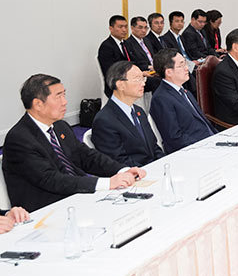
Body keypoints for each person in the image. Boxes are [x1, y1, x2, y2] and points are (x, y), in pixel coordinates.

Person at [2, 74, 145, 211]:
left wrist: (122, 170)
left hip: (76, 198)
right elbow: (51, 180)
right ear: (38, 104)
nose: (65, 102)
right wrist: (107, 183)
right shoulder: (19, 139)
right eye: (58, 96)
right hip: (47, 209)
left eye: (64, 95)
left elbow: (86, 156)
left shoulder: (60, 126)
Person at [91, 61, 165, 167]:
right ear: (120, 85)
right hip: (135, 173)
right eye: (137, 79)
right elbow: (117, 161)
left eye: (143, 79)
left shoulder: (139, 111)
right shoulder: (104, 120)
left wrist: (164, 163)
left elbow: (154, 147)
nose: (143, 83)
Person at [149, 48, 216, 152]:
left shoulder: (185, 92)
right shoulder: (161, 98)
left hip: (210, 142)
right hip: (195, 150)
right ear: (169, 72)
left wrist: (218, 137)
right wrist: (205, 146)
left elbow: (203, 123)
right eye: (181, 65)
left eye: (185, 64)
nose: (187, 68)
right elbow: (174, 138)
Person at [124, 16, 160, 92]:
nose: (143, 30)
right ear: (132, 28)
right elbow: (133, 63)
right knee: (158, 81)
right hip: (143, 73)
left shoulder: (147, 40)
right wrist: (149, 67)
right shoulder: (128, 44)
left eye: (145, 28)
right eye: (140, 28)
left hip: (154, 70)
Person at [97, 14, 130, 97]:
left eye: (126, 27)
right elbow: (110, 71)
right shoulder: (106, 46)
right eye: (120, 27)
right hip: (115, 83)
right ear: (111, 28)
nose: (124, 30)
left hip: (128, 79)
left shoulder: (126, 44)